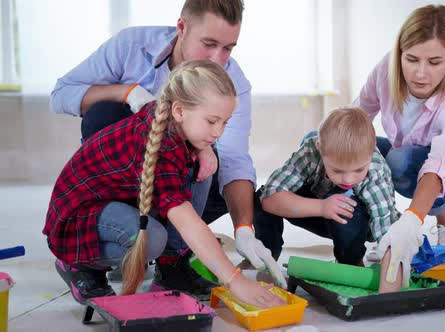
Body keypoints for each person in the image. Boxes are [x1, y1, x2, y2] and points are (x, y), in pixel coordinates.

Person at [49, 0, 285, 290]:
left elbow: (235, 159)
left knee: (209, 163)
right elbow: (61, 93)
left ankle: (173, 263)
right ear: (182, 28)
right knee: (153, 237)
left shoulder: (230, 84)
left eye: (228, 48)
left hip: (158, 174)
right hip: (106, 192)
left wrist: (244, 230)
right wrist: (128, 92)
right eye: (208, 43)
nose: (216, 59)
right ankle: (83, 261)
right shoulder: (131, 45)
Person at [355, 4, 445, 256]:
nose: (421, 73)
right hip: (409, 156)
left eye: (434, 62)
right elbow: (357, 117)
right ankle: (385, 228)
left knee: (399, 161)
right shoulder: (386, 69)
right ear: (399, 53)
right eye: (411, 59)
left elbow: (441, 162)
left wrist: (411, 222)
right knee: (348, 145)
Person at [254, 108, 420, 292]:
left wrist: (390, 287)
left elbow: (387, 231)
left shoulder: (376, 169)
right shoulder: (310, 152)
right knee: (260, 196)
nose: (348, 180)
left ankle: (350, 260)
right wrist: (322, 207)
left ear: (371, 151)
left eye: (358, 170)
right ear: (320, 148)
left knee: (343, 202)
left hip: (359, 223)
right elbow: (269, 197)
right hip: (319, 209)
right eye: (338, 171)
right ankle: (266, 256)